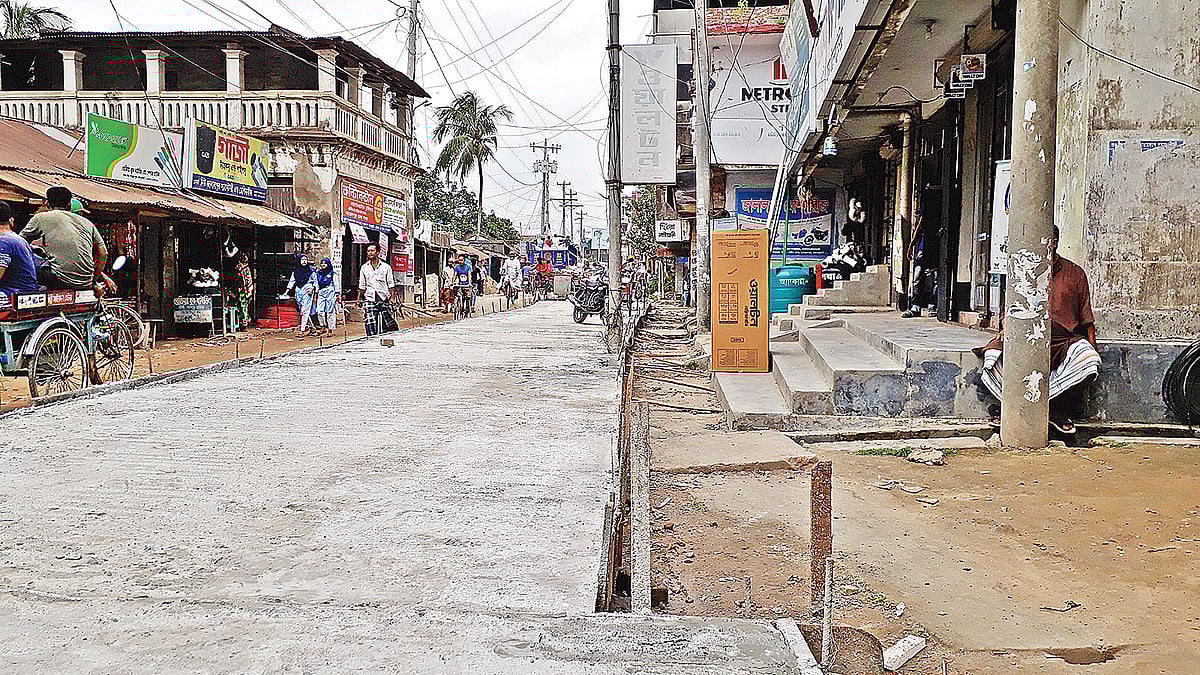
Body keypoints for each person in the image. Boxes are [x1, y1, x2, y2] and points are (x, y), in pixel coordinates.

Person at [974, 226, 1102, 434]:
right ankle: (1012, 407)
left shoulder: (1075, 273)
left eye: (1049, 241)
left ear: (1056, 242)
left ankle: (1051, 410)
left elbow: (1086, 318)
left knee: (1089, 361)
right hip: (1024, 337)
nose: (1045, 246)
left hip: (1062, 341)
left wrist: (1093, 345)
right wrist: (1005, 330)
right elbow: (1009, 311)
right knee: (992, 358)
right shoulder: (1022, 272)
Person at [19, 186, 107, 291]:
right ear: (69, 204)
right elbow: (103, 253)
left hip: (58, 280)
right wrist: (93, 281)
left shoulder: (41, 217)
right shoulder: (88, 223)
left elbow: (19, 243)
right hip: (85, 283)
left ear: (47, 203)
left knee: (25, 255)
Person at [0, 201, 39, 298]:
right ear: (11, 221)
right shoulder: (19, 239)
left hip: (14, 293)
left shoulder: (3, 241)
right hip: (26, 291)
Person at [358, 242, 397, 335]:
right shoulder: (364, 268)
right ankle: (371, 340)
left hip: (384, 298)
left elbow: (391, 284)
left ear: (377, 252)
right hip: (370, 299)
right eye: (368, 251)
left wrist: (392, 297)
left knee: (388, 324)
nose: (370, 253)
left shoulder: (386, 267)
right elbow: (362, 285)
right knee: (370, 323)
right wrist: (359, 298)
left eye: (372, 250)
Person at [285, 254, 318, 335]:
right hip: (299, 291)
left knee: (305, 310)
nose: (304, 261)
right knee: (302, 310)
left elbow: (315, 282)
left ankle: (302, 330)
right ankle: (311, 327)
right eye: (302, 259)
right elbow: (292, 281)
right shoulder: (296, 271)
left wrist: (313, 289)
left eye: (305, 260)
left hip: (308, 291)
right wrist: (286, 292)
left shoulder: (311, 271)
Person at [314, 257, 339, 334]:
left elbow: (336, 284)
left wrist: (337, 294)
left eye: (325, 263)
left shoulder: (332, 274)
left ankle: (330, 329)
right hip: (321, 292)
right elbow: (317, 284)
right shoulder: (318, 273)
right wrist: (316, 293)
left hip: (330, 292)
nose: (323, 265)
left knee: (330, 312)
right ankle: (323, 325)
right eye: (322, 263)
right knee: (319, 311)